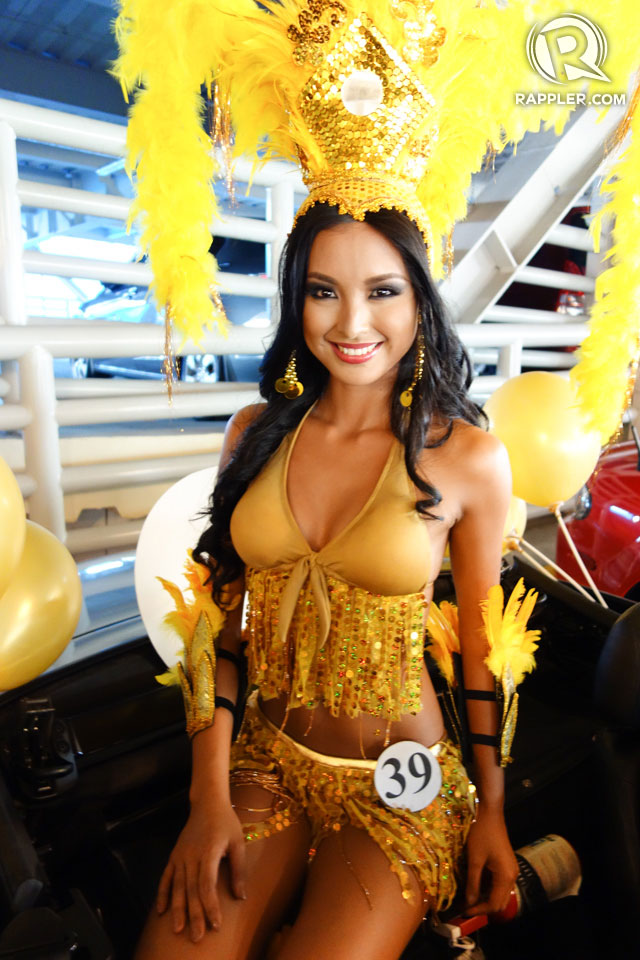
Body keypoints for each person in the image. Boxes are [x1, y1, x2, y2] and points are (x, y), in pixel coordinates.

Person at [133, 201, 519, 960]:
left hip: (401, 785)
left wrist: (493, 812)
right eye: (322, 291)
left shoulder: (469, 457)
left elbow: (485, 650)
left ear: (419, 302)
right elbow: (220, 624)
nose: (351, 322)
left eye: (381, 291)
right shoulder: (253, 433)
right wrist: (205, 797)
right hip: (264, 762)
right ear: (294, 300)